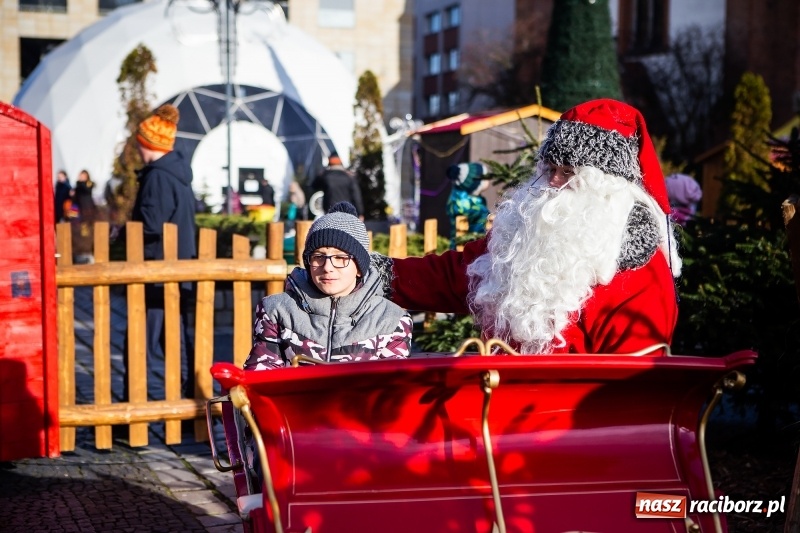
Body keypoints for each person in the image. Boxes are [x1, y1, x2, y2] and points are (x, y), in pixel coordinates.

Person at [379, 98, 682, 355]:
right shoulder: (524, 238)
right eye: (550, 168)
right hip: (492, 409)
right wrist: (369, 273)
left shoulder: (639, 274)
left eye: (568, 172)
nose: (552, 182)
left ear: (605, 189)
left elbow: (634, 389)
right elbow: (453, 276)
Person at [244, 201, 412, 370]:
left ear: (360, 268)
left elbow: (391, 388)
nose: (327, 267)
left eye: (340, 258)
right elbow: (261, 375)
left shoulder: (392, 320)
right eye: (319, 256)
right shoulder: (276, 311)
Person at [129, 103, 197, 398]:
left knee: (143, 340)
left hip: (158, 269)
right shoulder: (177, 174)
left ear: (150, 143)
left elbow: (151, 224)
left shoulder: (157, 177)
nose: (138, 150)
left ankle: (136, 403)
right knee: (174, 338)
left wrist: (125, 232)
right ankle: (186, 399)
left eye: (141, 143)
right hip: (177, 267)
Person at [445, 162, 491, 248]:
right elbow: (479, 225)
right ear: (476, 186)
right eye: (485, 177)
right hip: (468, 246)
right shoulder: (472, 207)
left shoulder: (472, 201)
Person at [313, 152, 364, 218]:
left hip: (330, 211)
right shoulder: (349, 177)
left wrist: (322, 172)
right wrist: (360, 212)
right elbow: (356, 196)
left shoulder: (325, 177)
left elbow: (314, 186)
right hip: (347, 211)